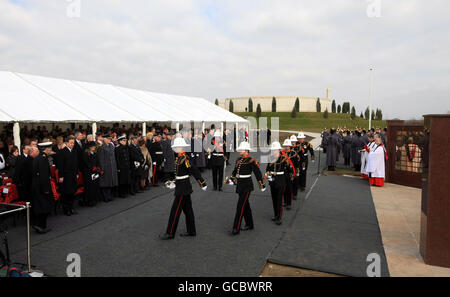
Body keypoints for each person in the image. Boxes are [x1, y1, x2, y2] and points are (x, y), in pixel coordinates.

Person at [159, 137, 207, 240]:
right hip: (181, 185)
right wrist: (174, 182)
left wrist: (201, 182)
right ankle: (191, 230)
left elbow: (194, 171)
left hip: (183, 187)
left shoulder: (185, 159)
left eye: (176, 147)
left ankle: (170, 232)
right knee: (188, 210)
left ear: (181, 147)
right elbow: (179, 174)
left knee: (175, 210)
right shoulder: (179, 158)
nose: (174, 149)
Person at [227, 141, 265, 235]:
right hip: (240, 185)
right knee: (246, 205)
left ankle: (236, 228)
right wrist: (231, 178)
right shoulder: (239, 159)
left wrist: (261, 184)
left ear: (246, 150)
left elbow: (257, 173)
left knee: (240, 206)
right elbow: (235, 171)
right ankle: (250, 224)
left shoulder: (251, 160)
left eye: (241, 149)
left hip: (247, 185)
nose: (239, 151)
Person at [265, 141, 294, 225]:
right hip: (272, 181)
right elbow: (268, 168)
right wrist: (267, 174)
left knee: (279, 199)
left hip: (281, 181)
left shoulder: (283, 158)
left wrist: (290, 177)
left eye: (275, 150)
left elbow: (289, 169)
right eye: (272, 150)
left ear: (278, 150)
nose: (273, 151)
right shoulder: (270, 158)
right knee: (274, 199)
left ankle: (279, 217)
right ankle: (275, 215)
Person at [31, 143, 54, 234]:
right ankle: (40, 225)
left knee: (40, 205)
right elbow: (44, 175)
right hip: (42, 186)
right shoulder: (43, 159)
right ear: (47, 149)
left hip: (36, 185)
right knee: (44, 206)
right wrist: (46, 189)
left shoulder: (37, 158)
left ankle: (39, 225)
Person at [57, 136, 79, 216]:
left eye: (73, 143)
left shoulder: (74, 151)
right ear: (66, 143)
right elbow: (60, 165)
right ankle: (66, 210)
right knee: (66, 193)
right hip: (66, 176)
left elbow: (76, 164)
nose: (72, 144)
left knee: (73, 192)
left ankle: (71, 208)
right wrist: (61, 176)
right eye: (71, 143)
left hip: (73, 175)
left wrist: (77, 173)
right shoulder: (62, 152)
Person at [98, 134, 118, 202]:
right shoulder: (101, 147)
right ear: (104, 139)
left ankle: (109, 195)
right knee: (105, 182)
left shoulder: (111, 146)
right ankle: (105, 196)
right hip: (105, 167)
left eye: (110, 139)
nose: (110, 140)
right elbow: (101, 159)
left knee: (110, 182)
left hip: (112, 166)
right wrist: (102, 169)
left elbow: (114, 157)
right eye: (108, 139)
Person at [82, 141, 102, 206]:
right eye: (92, 146)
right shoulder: (85, 154)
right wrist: (92, 168)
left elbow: (98, 161)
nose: (94, 147)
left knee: (95, 186)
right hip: (88, 173)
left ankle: (94, 199)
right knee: (89, 187)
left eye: (94, 146)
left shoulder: (95, 153)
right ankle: (89, 201)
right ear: (89, 147)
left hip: (95, 172)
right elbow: (86, 163)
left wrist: (98, 168)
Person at [281, 139, 297, 210]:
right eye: (285, 146)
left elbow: (296, 163)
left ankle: (289, 203)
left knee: (289, 188)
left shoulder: (293, 153)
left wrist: (295, 172)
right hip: (283, 173)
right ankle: (285, 201)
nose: (286, 147)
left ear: (290, 146)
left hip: (290, 172)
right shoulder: (281, 153)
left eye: (288, 146)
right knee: (284, 188)